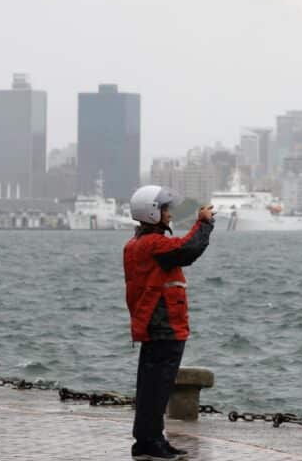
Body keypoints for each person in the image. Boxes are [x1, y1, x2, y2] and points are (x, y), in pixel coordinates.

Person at [124, 185, 214, 461]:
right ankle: (150, 443)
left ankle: (149, 440)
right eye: (165, 209)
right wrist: (204, 223)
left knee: (152, 385)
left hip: (156, 323)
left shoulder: (136, 244)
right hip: (164, 324)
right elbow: (188, 249)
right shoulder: (154, 245)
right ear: (152, 213)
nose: (170, 215)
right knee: (157, 386)